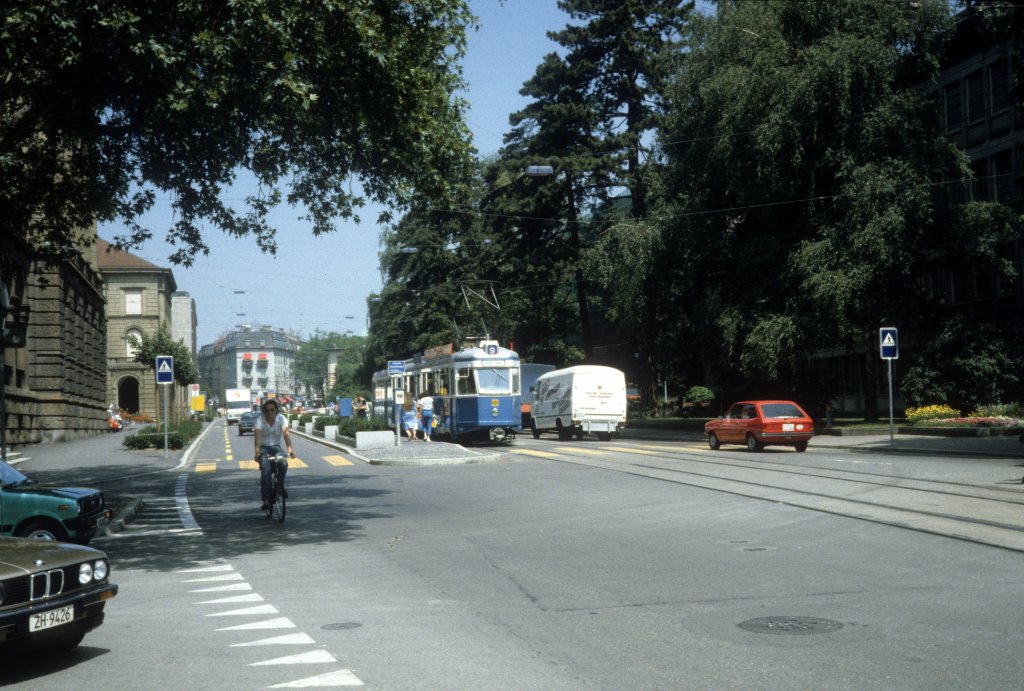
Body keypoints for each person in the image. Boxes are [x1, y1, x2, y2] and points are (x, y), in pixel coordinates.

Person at [253, 399, 295, 511]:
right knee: (265, 471)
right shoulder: (259, 420)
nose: (270, 412)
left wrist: (290, 449)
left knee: (283, 463)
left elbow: (286, 434)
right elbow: (257, 438)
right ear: (264, 411)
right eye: (267, 410)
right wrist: (257, 453)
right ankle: (266, 500)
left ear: (276, 410)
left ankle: (280, 486)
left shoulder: (281, 419)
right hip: (264, 448)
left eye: (272, 410)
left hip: (276, 447)